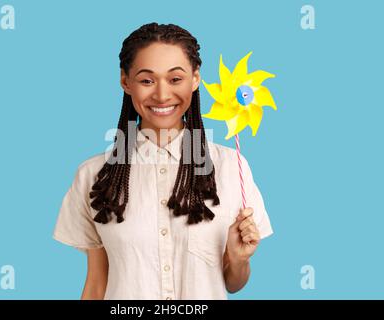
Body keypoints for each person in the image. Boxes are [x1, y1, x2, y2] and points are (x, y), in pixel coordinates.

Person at [53, 22, 273, 300]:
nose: (161, 94)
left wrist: (239, 258)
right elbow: (97, 284)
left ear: (195, 79)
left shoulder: (232, 167)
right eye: (147, 80)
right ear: (125, 81)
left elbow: (232, 283)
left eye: (175, 79)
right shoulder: (93, 175)